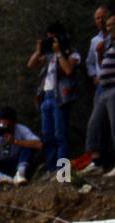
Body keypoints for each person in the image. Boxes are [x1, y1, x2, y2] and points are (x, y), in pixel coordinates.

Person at [27, 24, 82, 174]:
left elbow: (68, 70)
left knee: (60, 136)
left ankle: (63, 172)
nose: (50, 40)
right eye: (48, 37)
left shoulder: (71, 52)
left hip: (61, 98)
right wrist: (39, 50)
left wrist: (59, 53)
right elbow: (30, 64)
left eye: (53, 37)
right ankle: (51, 171)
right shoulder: (48, 55)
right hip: (46, 97)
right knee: (48, 137)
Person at [82, 11, 115, 176]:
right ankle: (96, 162)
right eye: (108, 25)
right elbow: (97, 64)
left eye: (111, 25)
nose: (109, 27)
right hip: (103, 87)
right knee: (94, 123)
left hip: (113, 88)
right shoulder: (104, 43)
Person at [0, 107, 43, 184]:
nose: (5, 128)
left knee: (27, 148)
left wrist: (16, 141)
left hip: (16, 163)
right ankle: (1, 177)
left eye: (8, 126)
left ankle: (20, 174)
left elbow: (39, 144)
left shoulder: (20, 129)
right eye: (3, 126)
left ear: (14, 123)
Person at [89, 6, 111, 84]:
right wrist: (94, 75)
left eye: (103, 17)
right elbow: (90, 62)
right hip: (101, 84)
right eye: (98, 18)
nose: (101, 21)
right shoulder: (94, 41)